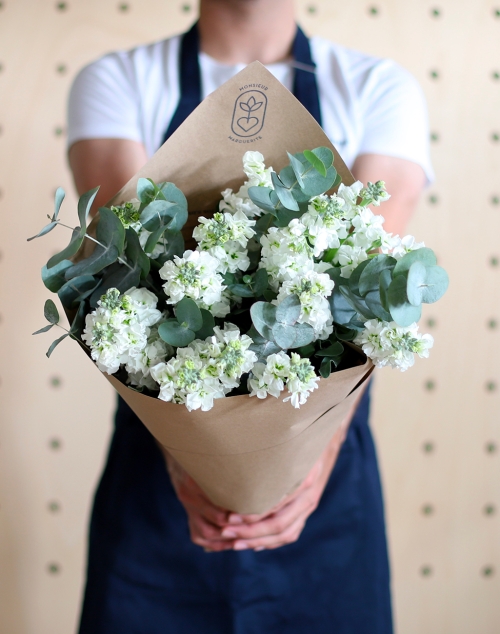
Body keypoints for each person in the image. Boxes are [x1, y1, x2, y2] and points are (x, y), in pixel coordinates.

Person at [68, 1, 433, 632]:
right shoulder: (119, 79)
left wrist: (306, 466)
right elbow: (119, 271)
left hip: (325, 483)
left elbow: (371, 300)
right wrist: (186, 457)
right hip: (157, 481)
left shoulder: (377, 88)